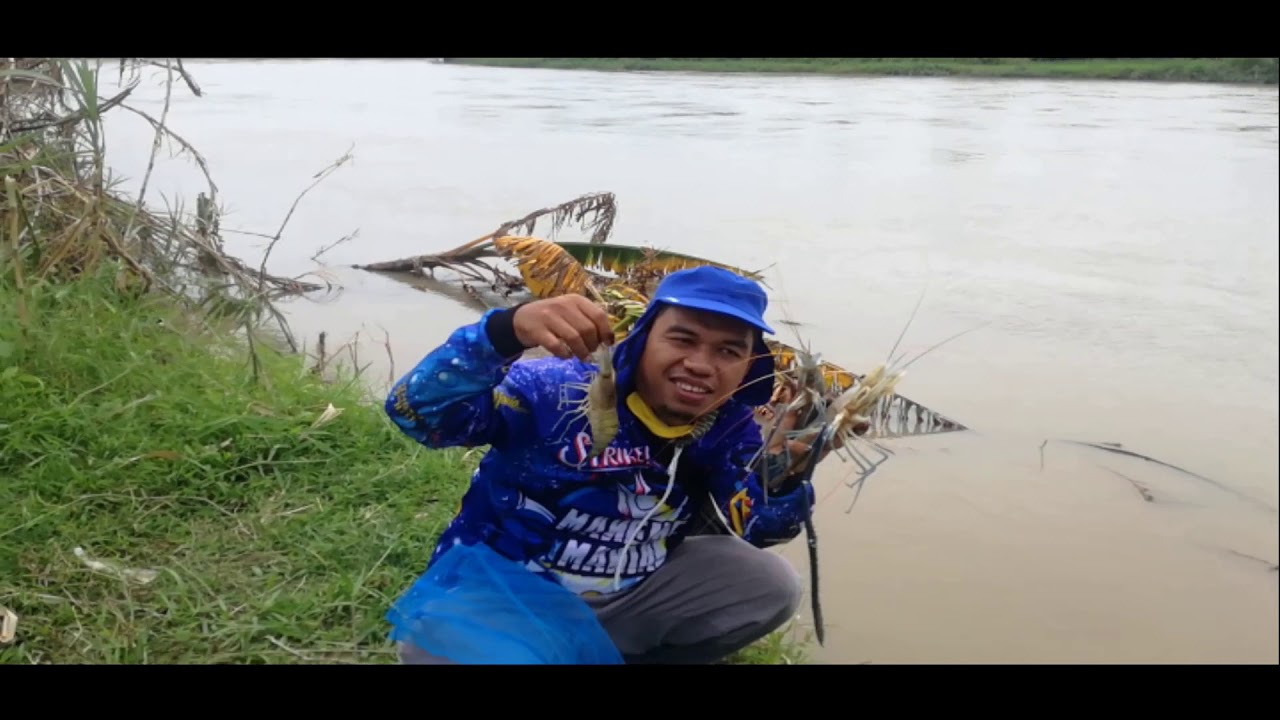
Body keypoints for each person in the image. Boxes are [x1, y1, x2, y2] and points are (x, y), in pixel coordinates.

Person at [383, 266, 840, 664]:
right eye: (683, 339)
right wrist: (503, 332)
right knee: (442, 649)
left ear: (749, 365)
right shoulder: (548, 390)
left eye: (728, 351)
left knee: (769, 584)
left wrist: (784, 474)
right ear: (643, 339)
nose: (702, 365)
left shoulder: (731, 427)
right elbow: (417, 415)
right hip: (505, 595)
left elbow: (757, 528)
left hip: (629, 596)